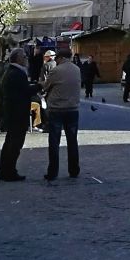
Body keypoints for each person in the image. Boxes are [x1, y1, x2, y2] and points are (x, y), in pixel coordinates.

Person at [42, 49, 82, 181]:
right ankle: (74, 169)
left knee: (54, 141)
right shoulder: (76, 69)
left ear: (59, 58)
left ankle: (53, 172)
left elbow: (45, 87)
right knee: (72, 141)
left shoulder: (56, 71)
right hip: (73, 109)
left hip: (57, 109)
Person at [0, 47, 32, 182]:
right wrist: (40, 86)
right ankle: (8, 171)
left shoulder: (12, 72)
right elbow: (25, 91)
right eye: (24, 56)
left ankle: (7, 170)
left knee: (10, 143)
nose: (26, 59)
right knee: (14, 144)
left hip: (13, 113)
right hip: (17, 114)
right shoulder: (17, 73)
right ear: (17, 58)